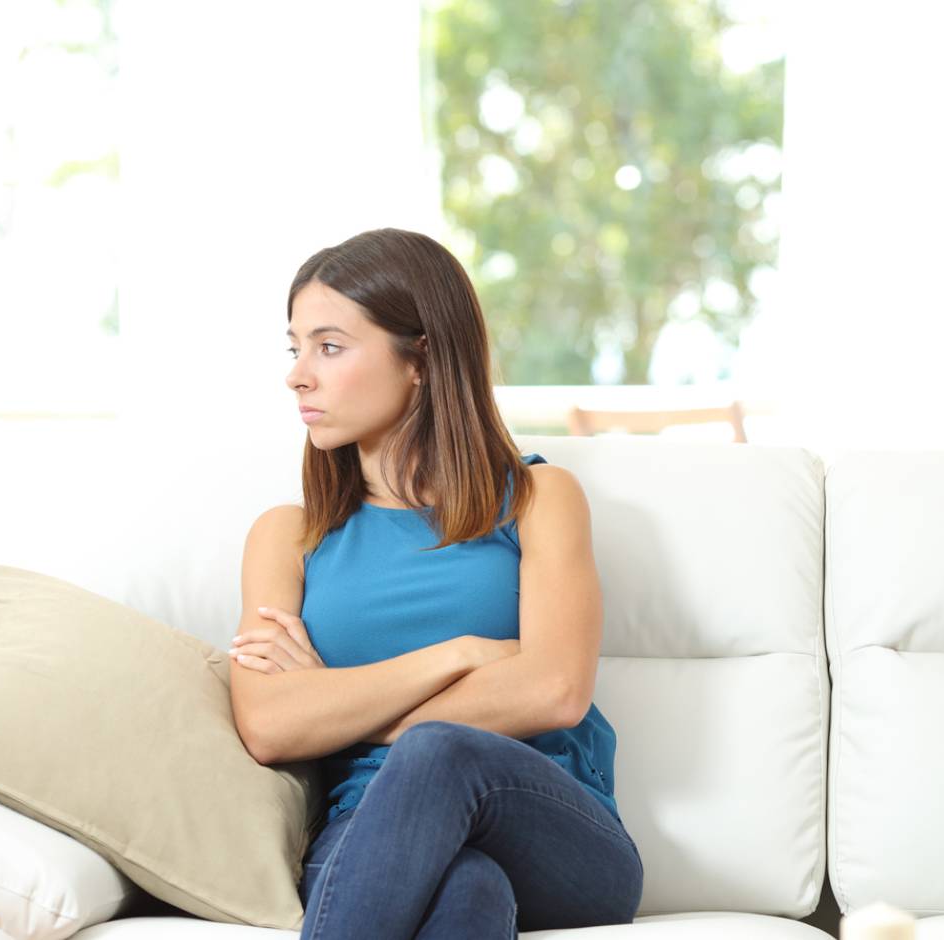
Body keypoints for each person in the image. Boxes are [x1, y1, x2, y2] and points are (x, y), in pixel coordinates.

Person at [227, 228, 643, 938]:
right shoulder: (288, 536)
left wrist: (342, 709)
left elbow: (555, 689)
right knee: (468, 891)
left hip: (556, 834)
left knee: (439, 751)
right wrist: (463, 654)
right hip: (366, 836)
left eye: (329, 346)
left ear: (420, 357)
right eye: (295, 348)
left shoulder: (540, 498)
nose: (298, 374)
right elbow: (269, 726)